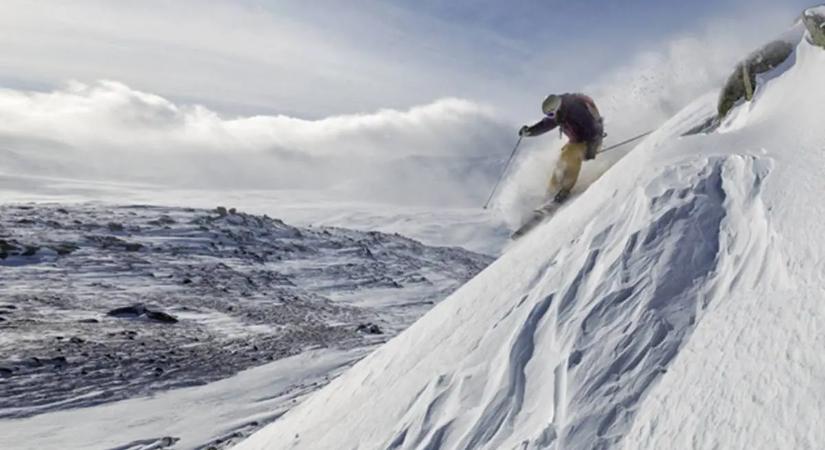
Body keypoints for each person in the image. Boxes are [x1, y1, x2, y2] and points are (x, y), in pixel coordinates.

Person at [512, 93, 604, 238]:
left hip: (591, 140)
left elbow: (593, 127)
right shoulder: (558, 114)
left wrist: (592, 147)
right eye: (549, 114)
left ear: (558, 106)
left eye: (551, 113)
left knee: (572, 154)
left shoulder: (575, 109)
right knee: (562, 160)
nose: (551, 116)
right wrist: (529, 132)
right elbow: (544, 125)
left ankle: (564, 191)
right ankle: (550, 194)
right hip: (576, 141)